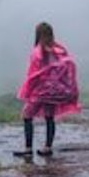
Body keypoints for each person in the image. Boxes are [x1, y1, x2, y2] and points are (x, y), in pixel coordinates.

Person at [15, 22, 80, 157]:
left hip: (40, 91)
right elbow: (67, 64)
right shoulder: (59, 49)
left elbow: (33, 73)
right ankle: (47, 147)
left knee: (27, 115)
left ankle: (28, 149)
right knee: (49, 117)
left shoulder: (38, 51)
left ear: (38, 35)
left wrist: (28, 89)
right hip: (55, 91)